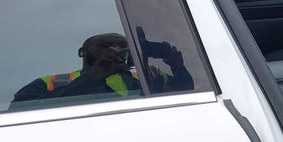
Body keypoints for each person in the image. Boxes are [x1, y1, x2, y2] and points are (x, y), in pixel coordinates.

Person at [11, 32, 191, 106]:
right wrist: (91, 77)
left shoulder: (147, 75)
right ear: (82, 52)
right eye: (106, 46)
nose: (118, 49)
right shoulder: (51, 82)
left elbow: (187, 90)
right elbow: (18, 111)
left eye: (124, 45)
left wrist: (177, 65)